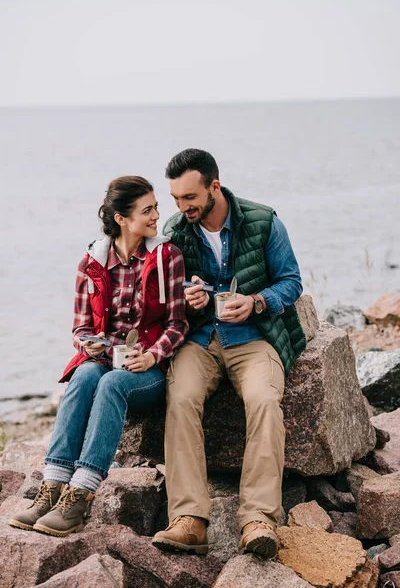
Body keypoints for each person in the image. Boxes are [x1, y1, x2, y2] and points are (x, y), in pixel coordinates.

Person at [9, 176, 188, 537]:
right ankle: (53, 487)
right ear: (122, 218)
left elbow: (178, 323)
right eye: (147, 209)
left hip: (147, 371)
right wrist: (87, 344)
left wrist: (153, 356)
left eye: (155, 207)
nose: (157, 215)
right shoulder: (91, 263)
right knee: (84, 376)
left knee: (111, 383)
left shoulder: (166, 257)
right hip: (104, 359)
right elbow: (80, 328)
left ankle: (80, 495)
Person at [152, 149, 306, 558]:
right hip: (200, 340)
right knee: (180, 399)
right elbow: (166, 299)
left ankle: (258, 519)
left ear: (214, 187)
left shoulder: (263, 221)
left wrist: (256, 302)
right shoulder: (175, 231)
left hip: (253, 339)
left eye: (189, 197)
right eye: (176, 199)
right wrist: (187, 299)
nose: (182, 207)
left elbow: (291, 282)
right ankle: (189, 521)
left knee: (264, 400)